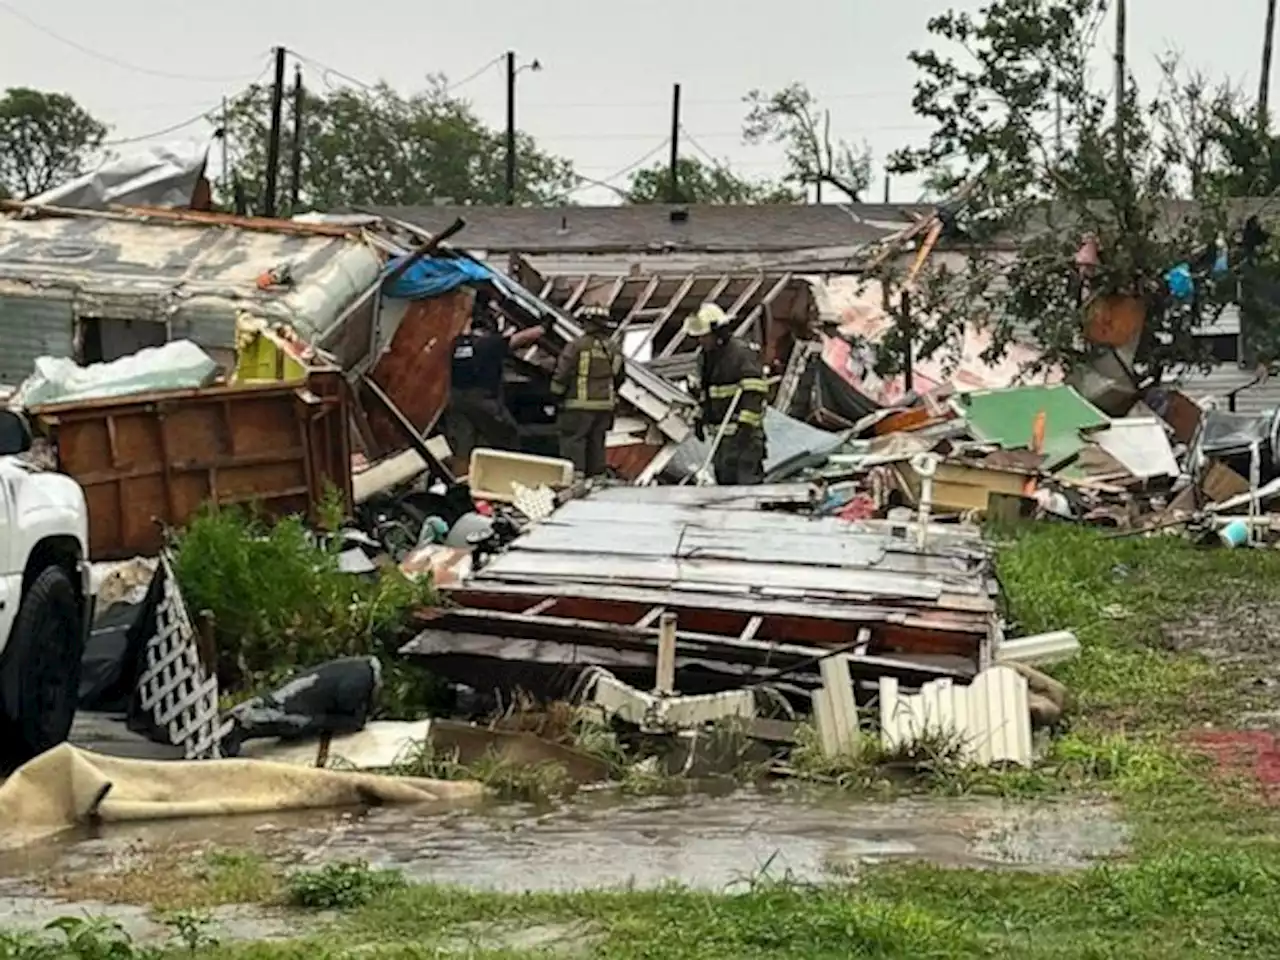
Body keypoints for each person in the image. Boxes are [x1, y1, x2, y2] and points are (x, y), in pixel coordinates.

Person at [444, 286, 549, 465]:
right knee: (506, 435)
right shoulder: (490, 344)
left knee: (464, 443)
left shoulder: (457, 343)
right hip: (482, 400)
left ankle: (463, 477)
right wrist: (544, 326)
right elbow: (521, 338)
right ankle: (508, 469)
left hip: (456, 400)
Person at [683, 302, 769, 485]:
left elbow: (755, 392)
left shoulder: (740, 354)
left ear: (718, 332)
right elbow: (706, 393)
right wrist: (700, 416)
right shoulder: (706, 358)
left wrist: (745, 426)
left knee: (747, 490)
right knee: (724, 488)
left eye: (704, 336)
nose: (701, 341)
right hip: (721, 440)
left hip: (745, 439)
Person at [551, 305, 624, 479]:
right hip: (605, 406)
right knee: (597, 442)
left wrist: (555, 394)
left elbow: (563, 373)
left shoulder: (577, 346)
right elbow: (620, 377)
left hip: (578, 405)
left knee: (573, 441)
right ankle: (597, 476)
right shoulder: (614, 348)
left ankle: (575, 476)